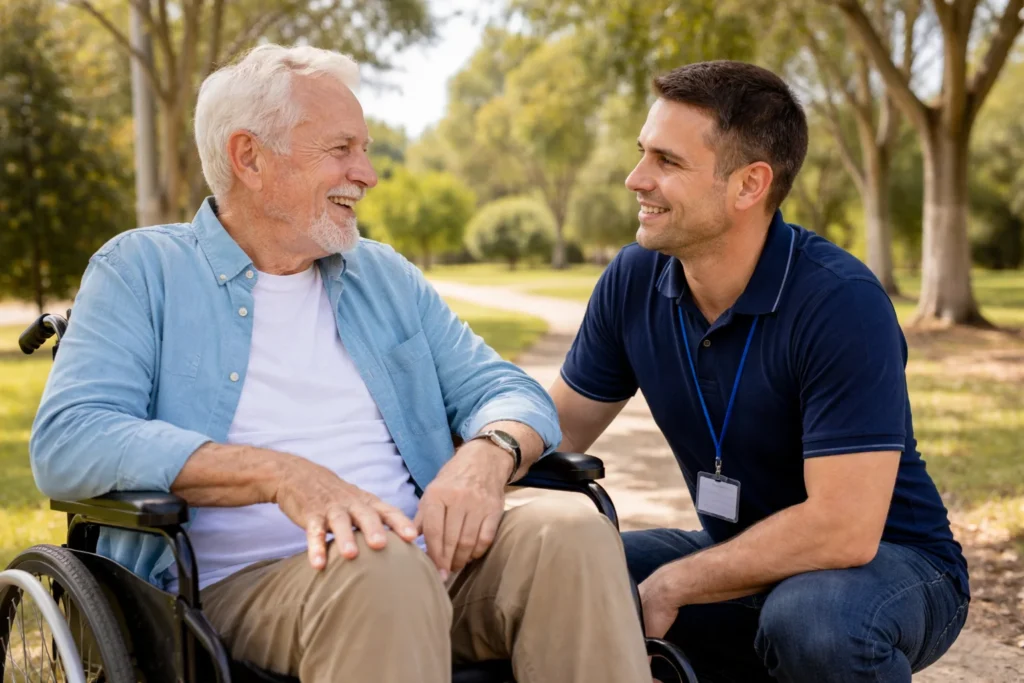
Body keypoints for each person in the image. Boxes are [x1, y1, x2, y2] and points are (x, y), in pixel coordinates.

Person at [29, 44, 651, 683]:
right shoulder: (142, 271)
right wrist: (281, 475)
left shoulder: (380, 274)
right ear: (249, 157)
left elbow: (508, 390)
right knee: (380, 573)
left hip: (423, 557)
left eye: (366, 149)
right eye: (341, 149)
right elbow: (71, 438)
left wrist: (487, 455)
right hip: (246, 586)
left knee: (567, 531)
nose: (368, 173)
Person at [550, 60, 969, 682]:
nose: (636, 178)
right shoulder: (633, 279)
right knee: (560, 573)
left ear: (749, 185)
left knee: (812, 623)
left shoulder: (839, 300)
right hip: (742, 555)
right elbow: (552, 430)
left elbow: (844, 531)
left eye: (667, 162)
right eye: (643, 154)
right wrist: (463, 473)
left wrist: (676, 585)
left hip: (892, 563)